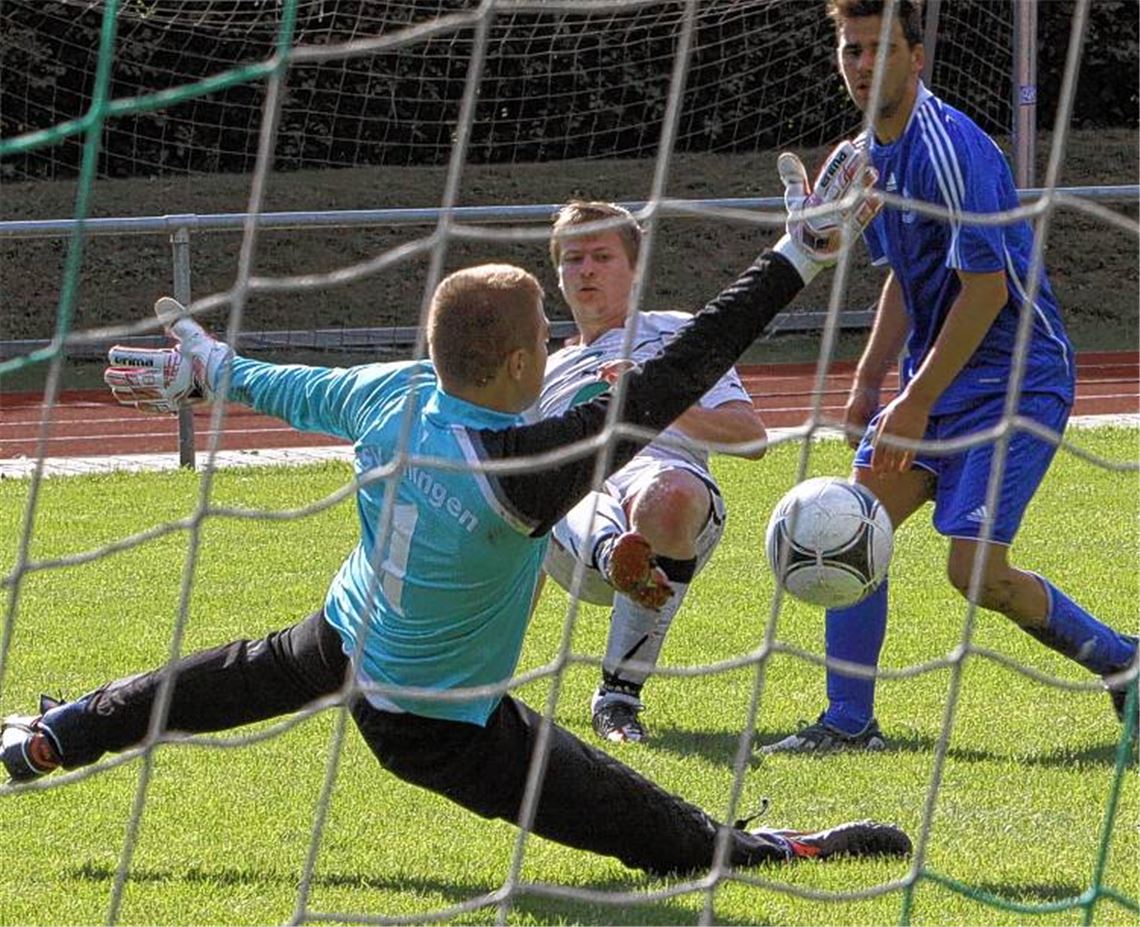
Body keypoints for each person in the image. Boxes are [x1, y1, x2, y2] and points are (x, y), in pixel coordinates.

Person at [0, 169, 911, 875]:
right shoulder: (521, 472)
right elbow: (685, 365)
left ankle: (57, 733)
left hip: (343, 633)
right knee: (646, 826)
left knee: (216, 683)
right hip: (434, 723)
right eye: (546, 321)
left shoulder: (387, 391)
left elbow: (274, 383)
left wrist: (207, 364)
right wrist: (797, 257)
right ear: (522, 360)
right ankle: (761, 849)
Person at [759, 0, 1138, 755]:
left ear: (917, 56)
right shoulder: (869, 153)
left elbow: (987, 290)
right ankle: (848, 721)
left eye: (880, 49)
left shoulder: (950, 148)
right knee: (855, 514)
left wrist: (914, 399)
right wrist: (870, 381)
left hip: (1017, 379)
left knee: (977, 576)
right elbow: (906, 276)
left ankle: (1123, 661)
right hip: (937, 376)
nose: (864, 64)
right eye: (851, 50)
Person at [535, 200, 769, 744]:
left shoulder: (676, 333)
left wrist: (654, 400)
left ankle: (617, 699)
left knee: (666, 490)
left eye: (601, 256)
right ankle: (616, 555)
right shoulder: (541, 369)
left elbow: (751, 437)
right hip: (571, 532)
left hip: (670, 514)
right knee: (562, 483)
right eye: (573, 259)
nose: (586, 270)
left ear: (635, 270)